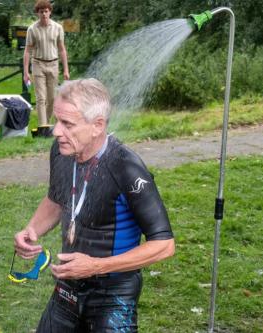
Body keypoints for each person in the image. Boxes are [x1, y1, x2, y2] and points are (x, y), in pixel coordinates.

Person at [14, 78, 175, 332]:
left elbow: (164, 245)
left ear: (97, 126)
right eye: (57, 121)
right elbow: (57, 198)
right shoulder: (61, 151)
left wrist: (96, 266)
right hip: (68, 283)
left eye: (67, 124)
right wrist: (32, 230)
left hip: (113, 295)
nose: (56, 131)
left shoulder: (127, 168)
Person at [24, 0, 70, 127]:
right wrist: (26, 72)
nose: (44, 14)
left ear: (50, 12)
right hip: (38, 64)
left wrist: (66, 69)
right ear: (37, 14)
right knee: (41, 98)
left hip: (53, 64)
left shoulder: (58, 28)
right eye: (41, 12)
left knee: (52, 98)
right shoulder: (32, 29)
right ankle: (43, 127)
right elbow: (27, 51)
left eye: (46, 11)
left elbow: (62, 49)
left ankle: (47, 123)